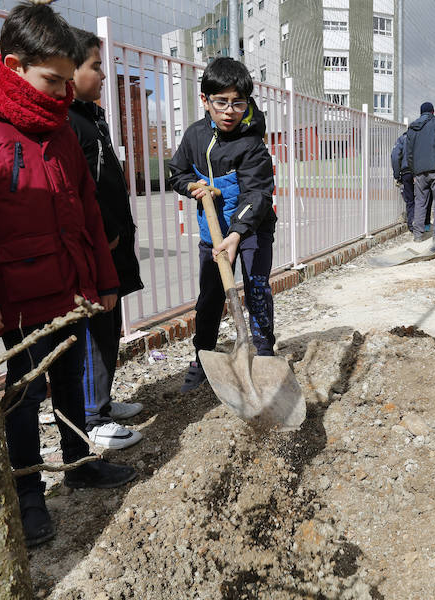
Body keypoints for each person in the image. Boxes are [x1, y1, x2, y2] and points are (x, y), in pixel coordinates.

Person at [0, 3, 137, 547]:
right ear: (11, 64)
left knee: (72, 377)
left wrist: (103, 282)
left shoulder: (60, 129)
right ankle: (29, 492)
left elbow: (87, 212)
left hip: (71, 287)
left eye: (67, 80)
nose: (63, 92)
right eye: (52, 80)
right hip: (18, 295)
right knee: (24, 396)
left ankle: (78, 464)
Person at [168, 57, 278, 393]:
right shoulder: (195, 137)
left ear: (247, 103)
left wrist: (235, 233)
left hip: (251, 231)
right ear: (205, 100)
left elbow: (258, 193)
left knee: (256, 289)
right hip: (211, 235)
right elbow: (178, 172)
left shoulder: (252, 143)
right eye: (221, 102)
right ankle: (203, 357)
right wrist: (193, 187)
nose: (229, 111)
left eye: (237, 103)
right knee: (210, 297)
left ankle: (262, 355)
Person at [68, 28, 144, 450]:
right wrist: (107, 234)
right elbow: (82, 193)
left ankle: (102, 402)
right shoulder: (71, 125)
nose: (102, 74)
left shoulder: (91, 119)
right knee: (95, 327)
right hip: (99, 247)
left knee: (109, 323)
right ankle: (91, 417)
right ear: (69, 69)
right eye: (95, 66)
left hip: (111, 246)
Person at [406, 102, 435, 242]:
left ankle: (418, 235)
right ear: (433, 111)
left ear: (421, 113)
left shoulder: (412, 127)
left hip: (419, 171)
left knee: (420, 202)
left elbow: (409, 152)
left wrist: (414, 171)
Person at [390, 131, 414, 231]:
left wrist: (397, 175)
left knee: (410, 200)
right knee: (423, 199)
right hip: (421, 172)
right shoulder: (421, 137)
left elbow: (395, 157)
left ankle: (412, 224)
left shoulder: (402, 139)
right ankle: (424, 224)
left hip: (406, 172)